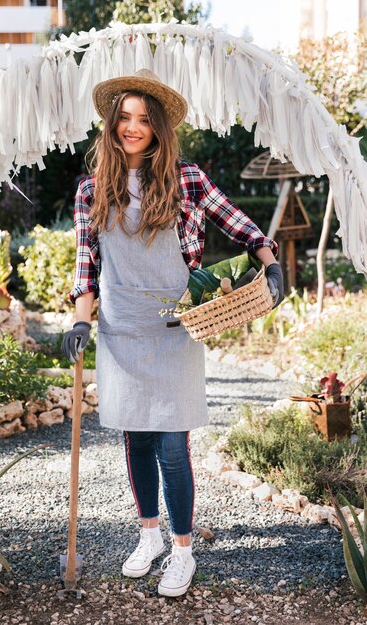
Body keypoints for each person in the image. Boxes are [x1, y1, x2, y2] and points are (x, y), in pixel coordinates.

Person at [61, 68, 283, 598]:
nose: (132, 128)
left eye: (143, 120)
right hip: (121, 329)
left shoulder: (185, 178)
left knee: (172, 445)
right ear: (112, 125)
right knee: (134, 438)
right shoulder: (91, 189)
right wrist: (79, 321)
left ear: (158, 127)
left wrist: (269, 262)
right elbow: (85, 268)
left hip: (174, 327)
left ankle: (182, 550)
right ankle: (150, 536)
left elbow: (238, 224)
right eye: (124, 119)